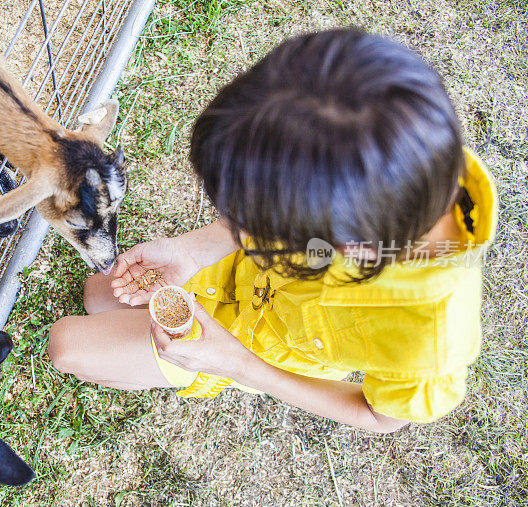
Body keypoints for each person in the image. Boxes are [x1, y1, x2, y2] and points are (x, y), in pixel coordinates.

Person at [47, 28, 497, 433]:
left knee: (66, 348)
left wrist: (233, 363)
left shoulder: (432, 346)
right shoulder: (387, 141)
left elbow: (376, 417)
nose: (243, 229)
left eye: (257, 221)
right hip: (234, 278)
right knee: (96, 295)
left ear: (346, 245)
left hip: (256, 345)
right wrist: (192, 250)